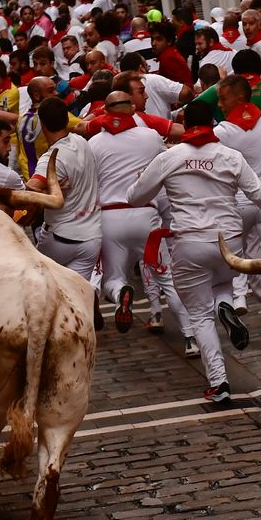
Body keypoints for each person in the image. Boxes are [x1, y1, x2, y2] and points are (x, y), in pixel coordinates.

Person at [127, 100, 261, 403]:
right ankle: (225, 304)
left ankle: (219, 384)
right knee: (222, 282)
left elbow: (134, 197)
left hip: (190, 242)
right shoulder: (230, 156)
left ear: (185, 121)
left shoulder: (169, 157)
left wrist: (151, 178)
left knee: (199, 315)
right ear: (212, 122)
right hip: (229, 241)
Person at [86, 90, 194, 350]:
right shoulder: (149, 137)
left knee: (113, 278)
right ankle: (191, 338)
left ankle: (122, 292)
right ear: (132, 109)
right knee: (166, 280)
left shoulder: (93, 144)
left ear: (106, 111)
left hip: (110, 217)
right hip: (146, 216)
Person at [212, 75, 261, 340]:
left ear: (240, 98)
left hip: (239, 203)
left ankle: (240, 299)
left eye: (223, 99)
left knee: (238, 259)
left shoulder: (222, 132)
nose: (220, 104)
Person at [28, 97, 101, 283]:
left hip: (60, 238)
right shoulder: (81, 142)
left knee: (35, 284)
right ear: (67, 120)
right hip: (92, 239)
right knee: (75, 298)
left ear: (42, 125)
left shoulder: (50, 159)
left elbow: (31, 191)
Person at [150, 22, 192, 87]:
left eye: (159, 39)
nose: (153, 43)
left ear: (169, 41)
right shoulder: (169, 54)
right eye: (152, 39)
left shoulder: (168, 58)